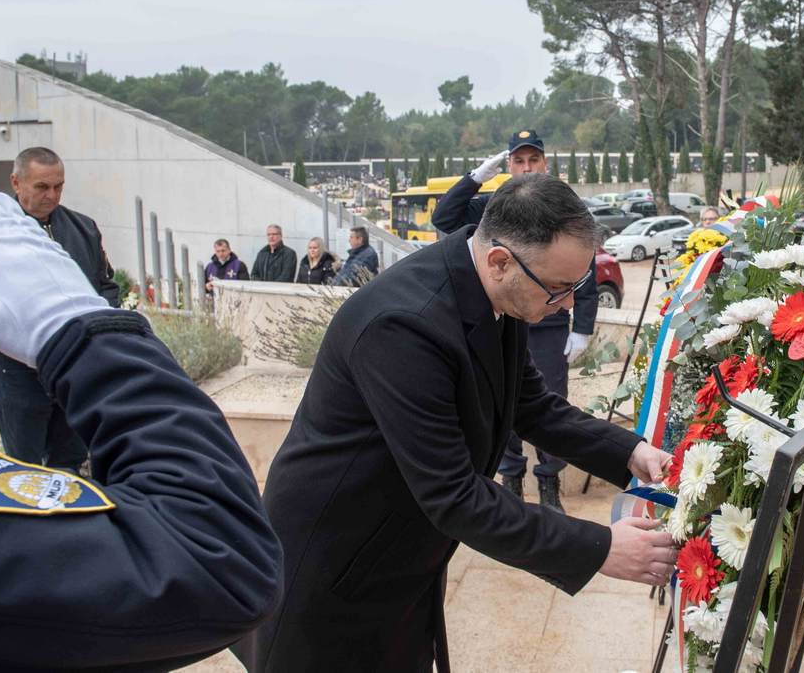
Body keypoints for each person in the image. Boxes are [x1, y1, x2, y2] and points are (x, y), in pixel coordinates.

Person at [234, 174, 675, 672]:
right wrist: (598, 549)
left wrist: (632, 453)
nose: (569, 303)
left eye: (576, 286)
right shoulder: (403, 325)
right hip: (335, 567)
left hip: (399, 554)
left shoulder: (497, 292)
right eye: (557, 288)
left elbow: (531, 405)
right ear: (500, 260)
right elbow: (454, 494)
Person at [0, 181, 282, 670]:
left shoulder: (79, 226)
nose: (51, 192)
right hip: (33, 376)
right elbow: (217, 557)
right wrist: (89, 338)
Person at [432, 129, 599, 512]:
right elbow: (445, 217)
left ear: (545, 163)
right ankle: (510, 479)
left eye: (533, 160)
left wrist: (583, 328)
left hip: (549, 323)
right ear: (509, 165)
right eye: (519, 161)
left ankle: (549, 483)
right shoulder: (496, 207)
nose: (527, 167)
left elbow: (583, 268)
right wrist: (475, 179)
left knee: (551, 400)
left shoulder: (565, 208)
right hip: (503, 319)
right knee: (501, 398)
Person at [0, 147, 120, 474]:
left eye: (58, 186)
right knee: (24, 474)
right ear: (16, 183)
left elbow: (105, 286)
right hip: (20, 379)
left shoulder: (84, 228)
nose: (52, 195)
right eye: (42, 187)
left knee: (70, 469)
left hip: (74, 375)